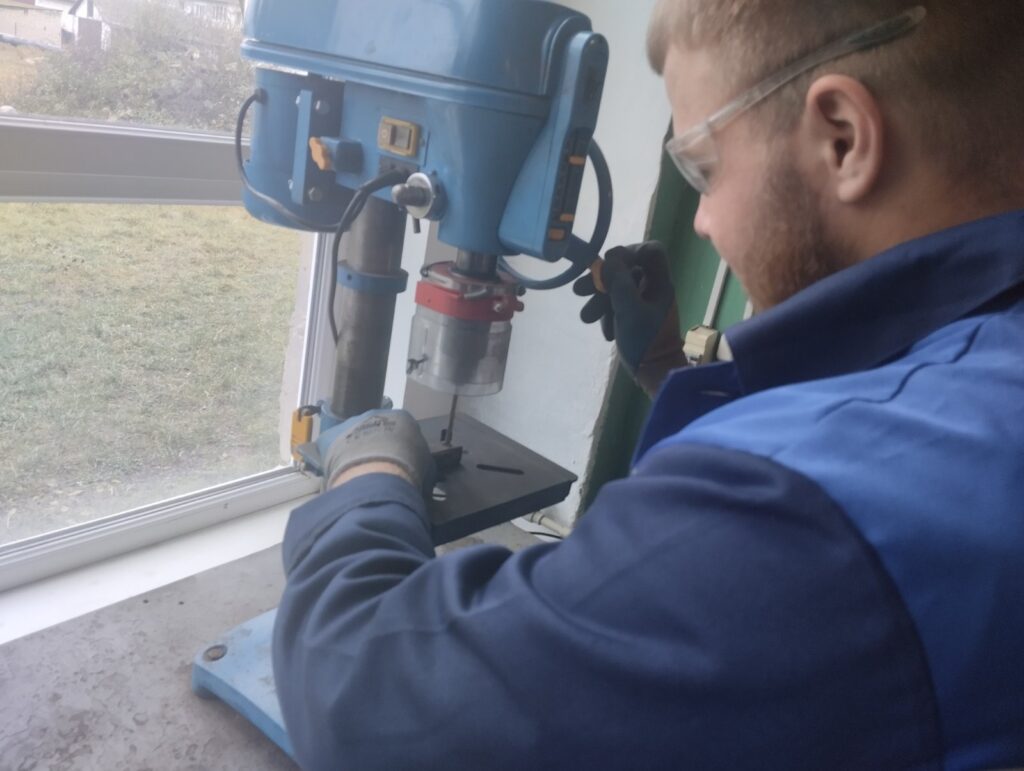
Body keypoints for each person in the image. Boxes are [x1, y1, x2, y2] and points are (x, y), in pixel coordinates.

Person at [272, 1, 1024, 768]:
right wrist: (665, 366)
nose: (701, 221)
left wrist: (369, 466)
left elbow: (359, 699)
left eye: (704, 168)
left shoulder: (810, 515)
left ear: (842, 137)